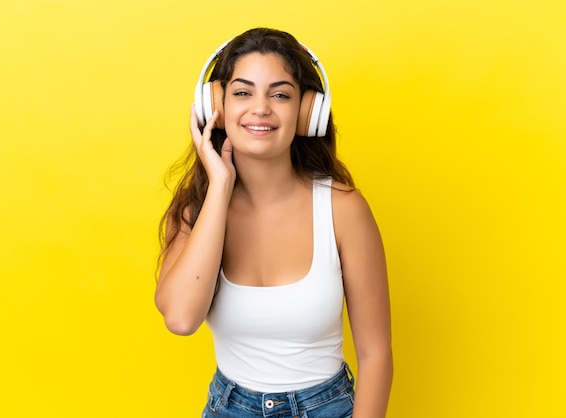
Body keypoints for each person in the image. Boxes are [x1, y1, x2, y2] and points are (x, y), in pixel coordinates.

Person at [155, 27, 393, 418]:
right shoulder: (197, 212)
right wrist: (219, 185)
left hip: (327, 409)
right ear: (215, 105)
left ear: (305, 113)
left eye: (280, 94)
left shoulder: (343, 209)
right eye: (243, 92)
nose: (261, 108)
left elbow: (376, 354)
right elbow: (180, 318)